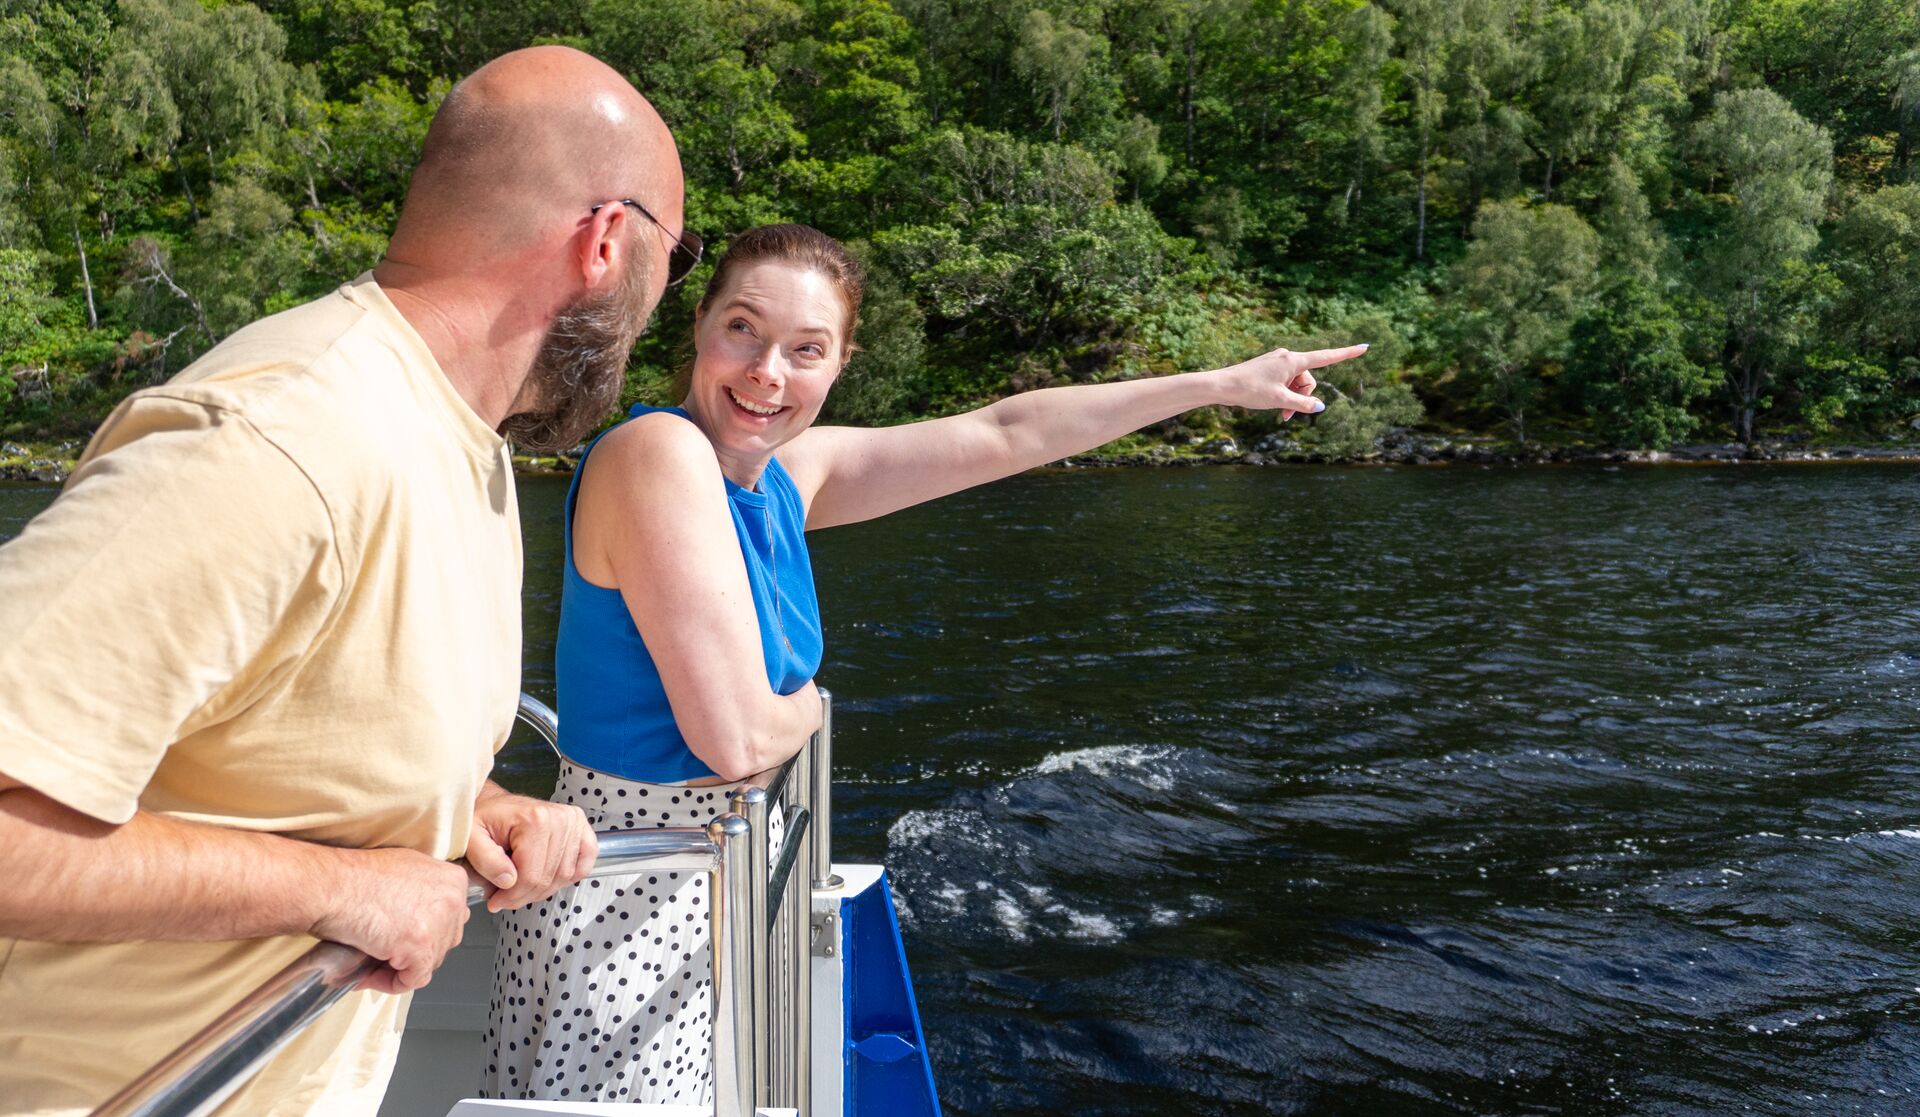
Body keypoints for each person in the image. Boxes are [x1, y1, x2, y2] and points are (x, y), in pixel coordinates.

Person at [481, 223, 1365, 1103]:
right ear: (700, 324)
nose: (767, 371)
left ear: (839, 365)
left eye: (807, 349)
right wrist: (815, 709)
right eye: (743, 329)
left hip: (730, 879)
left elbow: (1007, 431)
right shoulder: (659, 452)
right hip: (642, 889)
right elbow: (737, 732)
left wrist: (1222, 383)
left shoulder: (782, 474)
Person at [0, 46, 696, 1116]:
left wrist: (464, 811)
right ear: (607, 243)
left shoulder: (462, 446)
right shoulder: (282, 438)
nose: (661, 306)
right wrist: (347, 889)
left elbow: (279, 750)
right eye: (675, 261)